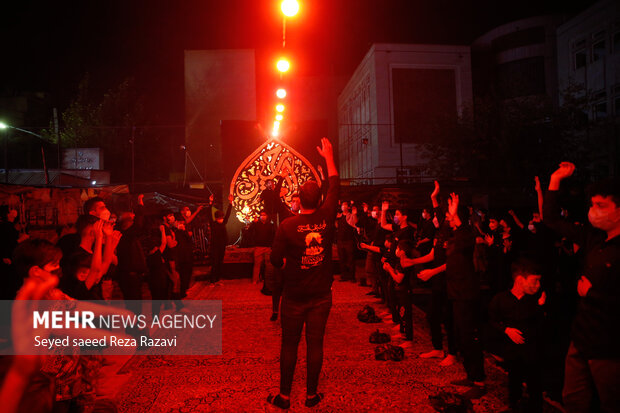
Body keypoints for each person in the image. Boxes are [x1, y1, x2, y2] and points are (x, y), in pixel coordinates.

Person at [267, 137, 339, 409]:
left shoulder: (286, 225)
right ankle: (311, 395)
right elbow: (335, 186)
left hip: (294, 296)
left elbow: (274, 260)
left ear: (299, 200)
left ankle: (284, 396)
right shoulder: (327, 216)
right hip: (321, 296)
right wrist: (328, 157)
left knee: (289, 345)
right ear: (319, 200)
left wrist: (288, 265)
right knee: (315, 345)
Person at [543, 162, 620, 413]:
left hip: (609, 346)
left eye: (601, 206)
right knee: (574, 398)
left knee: (611, 401)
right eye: (592, 205)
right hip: (580, 337)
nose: (594, 211)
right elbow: (551, 219)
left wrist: (592, 294)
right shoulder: (594, 237)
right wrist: (555, 180)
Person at [489, 258, 546, 412]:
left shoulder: (536, 300)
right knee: (514, 379)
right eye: (535, 281)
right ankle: (514, 403)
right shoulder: (500, 299)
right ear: (520, 280)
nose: (538, 285)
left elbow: (541, 326)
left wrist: (541, 307)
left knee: (535, 381)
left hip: (533, 351)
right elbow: (491, 321)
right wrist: (506, 330)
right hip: (512, 352)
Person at [206, 193, 233, 285]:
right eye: (220, 218)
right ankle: (212, 281)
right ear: (216, 218)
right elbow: (209, 214)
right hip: (214, 246)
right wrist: (210, 202)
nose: (221, 219)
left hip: (222, 246)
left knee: (220, 263)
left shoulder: (223, 223)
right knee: (215, 263)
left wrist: (230, 202)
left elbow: (228, 215)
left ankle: (217, 279)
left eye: (222, 217)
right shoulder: (213, 224)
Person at [335, 201, 357, 282]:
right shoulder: (338, 216)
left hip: (349, 240)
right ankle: (344, 276)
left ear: (348, 207)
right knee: (342, 259)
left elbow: (356, 223)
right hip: (340, 241)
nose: (343, 206)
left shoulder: (351, 216)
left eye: (345, 205)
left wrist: (354, 214)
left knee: (351, 259)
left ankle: (352, 277)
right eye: (342, 205)